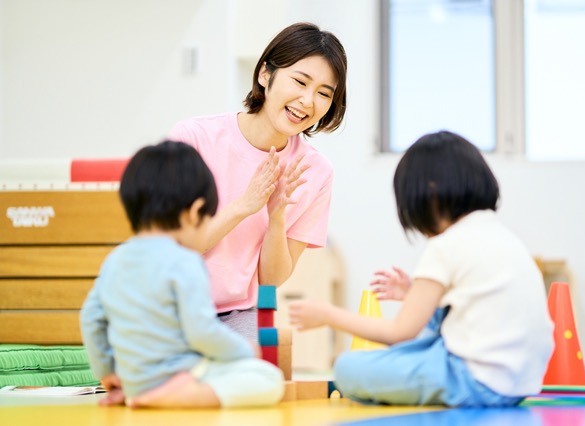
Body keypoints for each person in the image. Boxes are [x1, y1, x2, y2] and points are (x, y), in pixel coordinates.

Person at [288, 131, 554, 407]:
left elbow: (399, 333)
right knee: (420, 347)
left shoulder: (446, 245)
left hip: (474, 381)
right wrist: (412, 294)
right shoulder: (503, 236)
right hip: (521, 383)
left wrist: (328, 315)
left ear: (426, 194)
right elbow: (476, 310)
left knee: (347, 368)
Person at [167, 22, 348, 341]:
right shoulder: (194, 138)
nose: (307, 101)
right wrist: (246, 206)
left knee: (254, 382)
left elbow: (272, 280)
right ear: (265, 74)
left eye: (323, 93)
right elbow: (176, 247)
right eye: (300, 81)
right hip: (171, 306)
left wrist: (276, 217)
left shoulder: (316, 172)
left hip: (238, 315)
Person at [80, 141, 284, 409]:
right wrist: (245, 350)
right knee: (269, 379)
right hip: (179, 375)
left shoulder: (115, 259)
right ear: (195, 212)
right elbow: (202, 333)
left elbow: (91, 319)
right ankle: (183, 398)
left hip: (134, 380)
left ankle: (141, 394)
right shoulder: (185, 261)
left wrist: (108, 372)